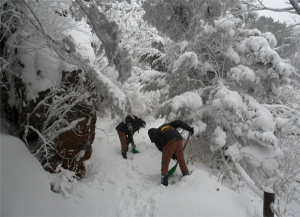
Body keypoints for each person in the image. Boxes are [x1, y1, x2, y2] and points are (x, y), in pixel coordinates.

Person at [148, 120, 194, 186]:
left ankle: (164, 182)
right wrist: (189, 129)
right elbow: (179, 122)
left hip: (168, 142)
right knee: (181, 159)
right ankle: (186, 174)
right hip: (178, 139)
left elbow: (161, 149)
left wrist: (172, 155)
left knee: (165, 163)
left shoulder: (155, 135)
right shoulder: (167, 125)